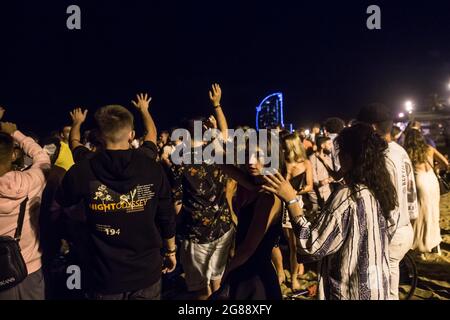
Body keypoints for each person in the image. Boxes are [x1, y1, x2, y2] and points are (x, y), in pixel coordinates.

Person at [56, 101, 177, 300]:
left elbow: (74, 145)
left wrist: (77, 122)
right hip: (146, 271)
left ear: (98, 136)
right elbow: (166, 215)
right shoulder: (151, 166)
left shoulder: (83, 169)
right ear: (131, 134)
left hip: (105, 274)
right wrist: (170, 250)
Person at [263, 123, 396, 300]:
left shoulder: (348, 196)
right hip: (378, 288)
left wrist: (291, 200)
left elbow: (313, 246)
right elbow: (390, 231)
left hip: (350, 292)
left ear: (348, 158)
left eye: (340, 153)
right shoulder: (381, 190)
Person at [170, 84, 234, 300]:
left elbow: (177, 202)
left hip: (195, 231)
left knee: (199, 288)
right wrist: (216, 105)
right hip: (222, 226)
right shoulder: (217, 151)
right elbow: (225, 134)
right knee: (218, 279)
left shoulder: (179, 161)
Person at [358, 104, 419, 300]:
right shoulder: (399, 150)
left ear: (373, 128)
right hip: (404, 226)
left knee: (383, 289)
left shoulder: (382, 156)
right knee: (389, 281)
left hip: (391, 231)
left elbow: (385, 198)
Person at [217, 133, 284, 300]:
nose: (251, 161)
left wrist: (226, 273)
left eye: (258, 155)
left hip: (255, 278)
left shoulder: (268, 196)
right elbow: (220, 161)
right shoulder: (257, 185)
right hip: (249, 271)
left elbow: (248, 248)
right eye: (247, 154)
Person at [0, 117, 51, 300]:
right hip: (30, 267)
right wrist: (15, 133)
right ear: (13, 155)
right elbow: (43, 158)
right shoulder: (30, 182)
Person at [404, 129, 449, 258]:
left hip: (420, 182)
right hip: (432, 181)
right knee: (433, 214)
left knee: (420, 216)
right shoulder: (429, 148)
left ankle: (420, 249)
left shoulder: (408, 152)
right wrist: (435, 167)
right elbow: (446, 164)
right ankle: (436, 247)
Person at [280, 132, 313, 291]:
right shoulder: (283, 162)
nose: (283, 149)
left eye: (285, 146)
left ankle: (293, 278)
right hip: (282, 205)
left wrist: (294, 192)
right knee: (289, 243)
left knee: (295, 244)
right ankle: (288, 271)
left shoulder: (306, 163)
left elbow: (309, 186)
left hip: (296, 205)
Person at [309, 136, 334, 210]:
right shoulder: (312, 158)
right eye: (329, 144)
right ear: (322, 146)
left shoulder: (328, 158)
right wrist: (323, 182)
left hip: (327, 193)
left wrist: (331, 179)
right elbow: (314, 179)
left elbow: (332, 174)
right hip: (315, 195)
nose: (331, 146)